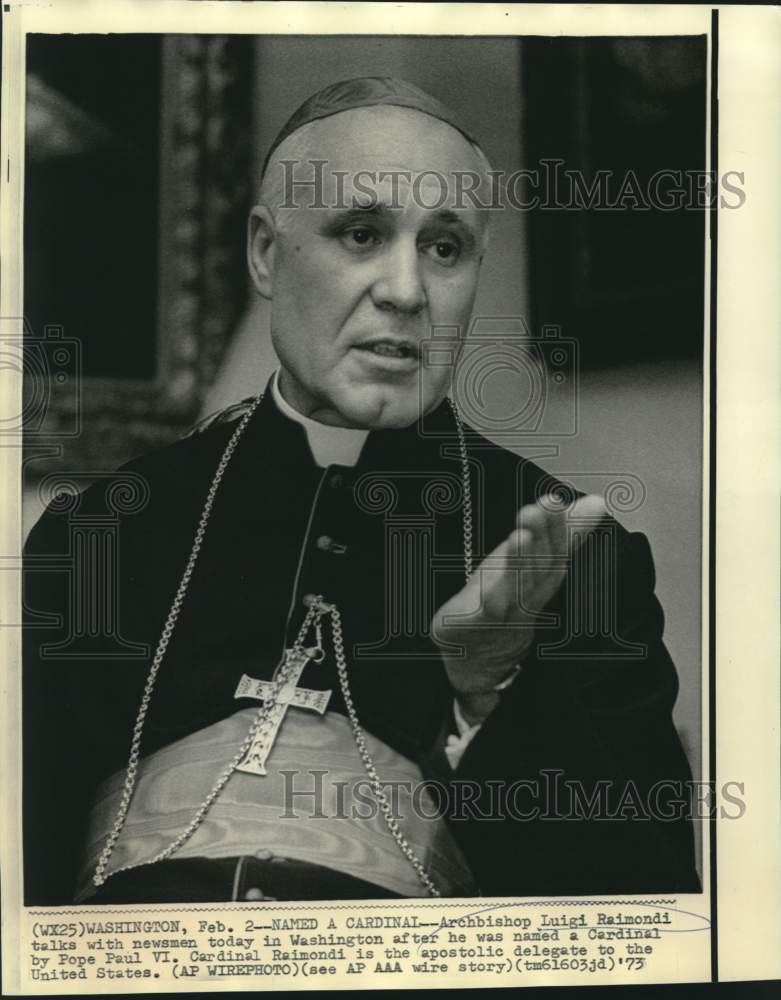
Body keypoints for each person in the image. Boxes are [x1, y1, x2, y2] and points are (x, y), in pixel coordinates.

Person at [23, 77, 699, 905]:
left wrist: (490, 692)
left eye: (444, 247)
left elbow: (645, 919)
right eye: (361, 233)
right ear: (266, 254)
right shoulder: (98, 536)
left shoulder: (578, 560)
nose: (407, 292)